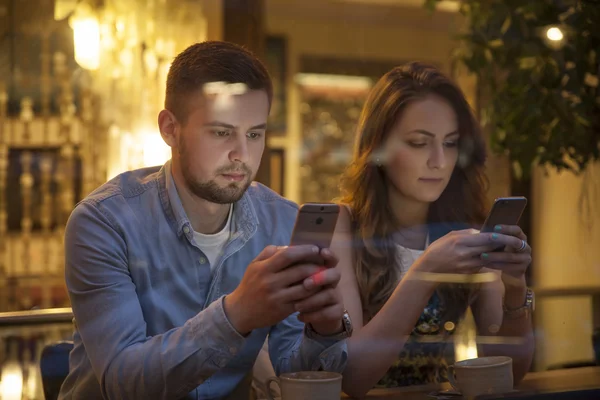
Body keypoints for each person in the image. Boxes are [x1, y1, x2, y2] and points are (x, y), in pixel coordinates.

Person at [58, 41, 349, 400]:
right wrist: (236, 313)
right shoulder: (103, 223)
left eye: (254, 134)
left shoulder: (281, 219)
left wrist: (324, 330)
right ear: (170, 129)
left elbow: (293, 367)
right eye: (221, 132)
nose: (241, 155)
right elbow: (123, 382)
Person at [322, 62, 534, 398]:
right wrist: (426, 271)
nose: (438, 160)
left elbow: (507, 373)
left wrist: (515, 288)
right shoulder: (342, 227)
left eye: (450, 144)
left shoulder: (460, 231)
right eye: (419, 143)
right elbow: (352, 378)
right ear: (378, 149)